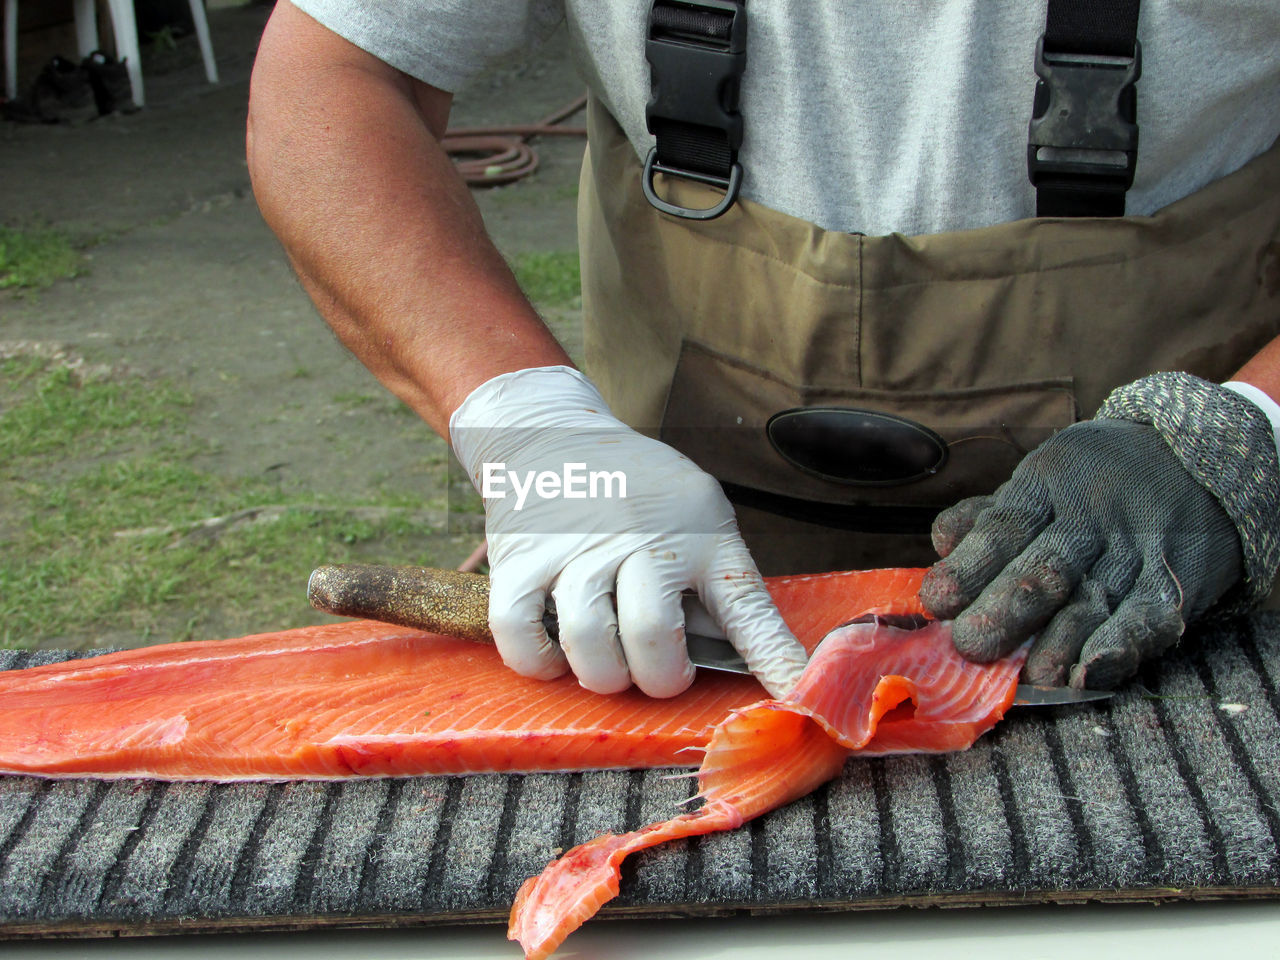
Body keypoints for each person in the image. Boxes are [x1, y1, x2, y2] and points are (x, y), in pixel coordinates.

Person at [246, 1, 1280, 700]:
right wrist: (532, 434)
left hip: (1181, 552)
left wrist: (1245, 437)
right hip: (660, 551)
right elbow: (331, 78)